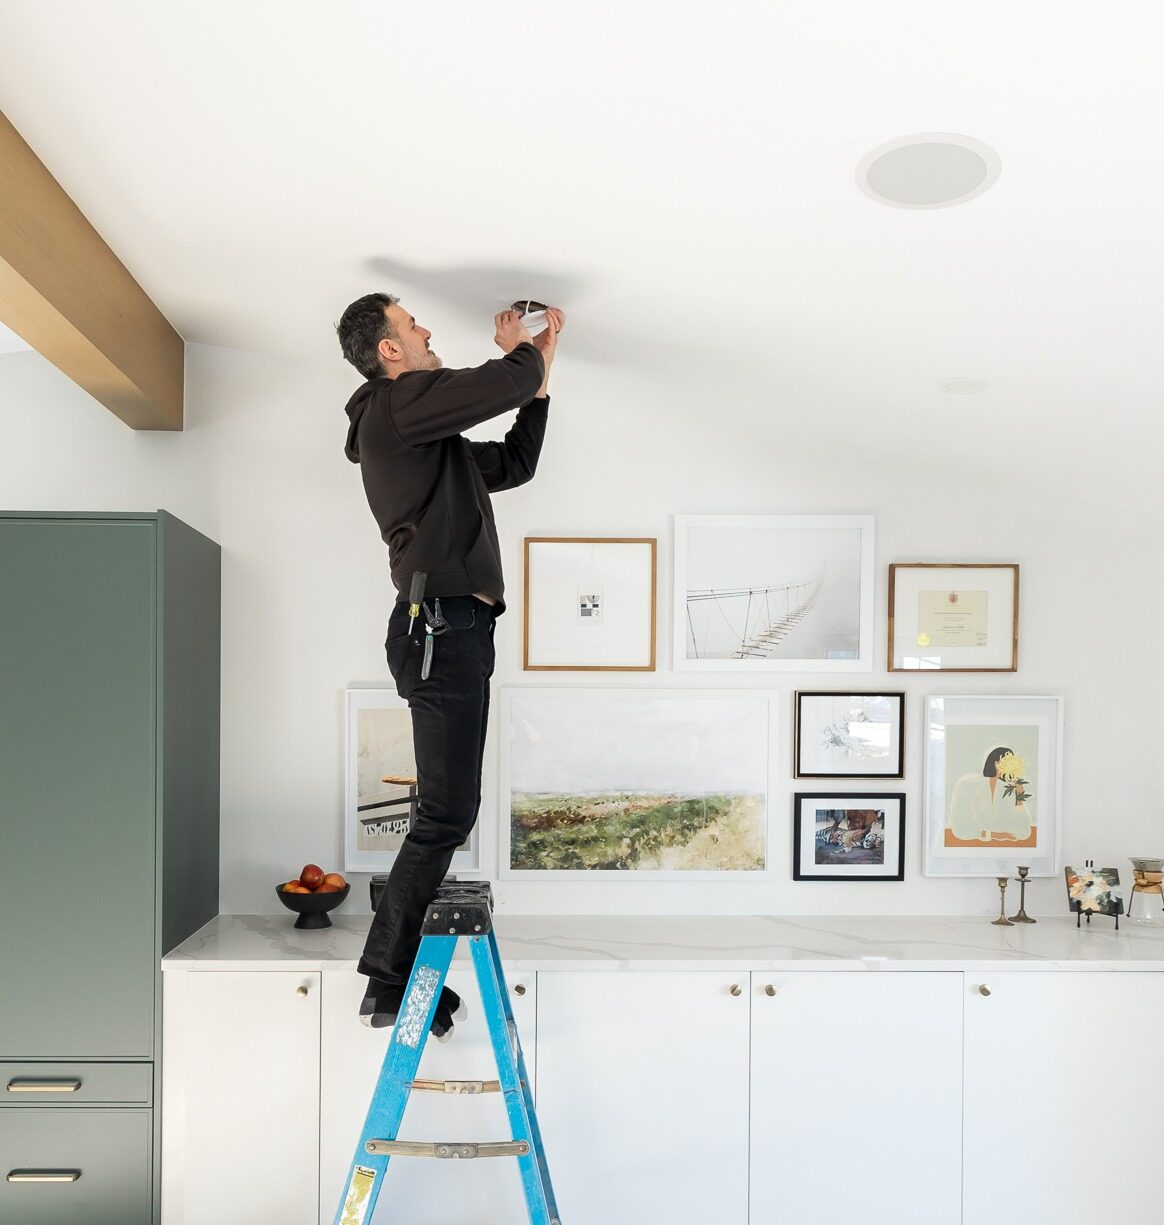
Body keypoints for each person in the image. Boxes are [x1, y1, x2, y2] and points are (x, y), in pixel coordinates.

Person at [337, 293, 563, 1036]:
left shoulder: (424, 441)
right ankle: (388, 976)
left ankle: (391, 969)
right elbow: (498, 384)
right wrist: (516, 350)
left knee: (447, 808)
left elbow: (517, 462)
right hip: (441, 625)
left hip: (452, 626)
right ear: (390, 350)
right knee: (446, 810)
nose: (427, 331)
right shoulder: (397, 405)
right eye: (414, 325)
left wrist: (540, 375)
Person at [948, 745, 1033, 843]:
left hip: (1002, 849)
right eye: (1008, 764)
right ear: (996, 763)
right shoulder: (967, 785)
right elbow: (961, 828)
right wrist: (994, 835)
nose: (1012, 769)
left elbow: (1023, 831)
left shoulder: (1008, 790)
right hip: (970, 846)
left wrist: (1019, 799)